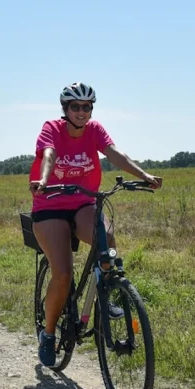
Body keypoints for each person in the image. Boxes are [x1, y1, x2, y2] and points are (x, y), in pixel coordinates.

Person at [28, 82, 162, 367]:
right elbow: (49, 154)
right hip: (50, 203)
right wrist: (43, 180)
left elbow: (114, 153)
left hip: (83, 202)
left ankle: (106, 293)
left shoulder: (94, 130)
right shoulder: (52, 127)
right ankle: (49, 334)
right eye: (75, 107)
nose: (81, 112)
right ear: (66, 110)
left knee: (107, 238)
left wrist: (145, 174)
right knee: (62, 273)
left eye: (86, 107)